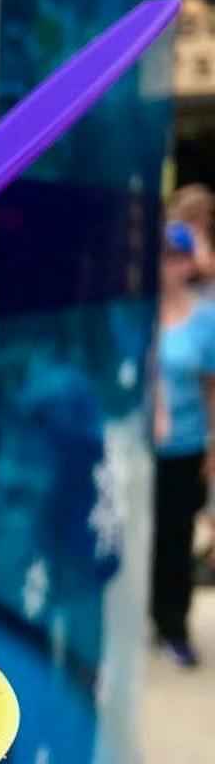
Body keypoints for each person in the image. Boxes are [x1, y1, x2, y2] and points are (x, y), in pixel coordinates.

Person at [152, 220, 215, 668]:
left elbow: (212, 385)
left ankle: (172, 624)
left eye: (176, 257)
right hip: (138, 451)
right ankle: (144, 609)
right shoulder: (134, 312)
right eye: (162, 256)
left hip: (186, 447)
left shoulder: (204, 320)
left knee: (176, 536)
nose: (167, 266)